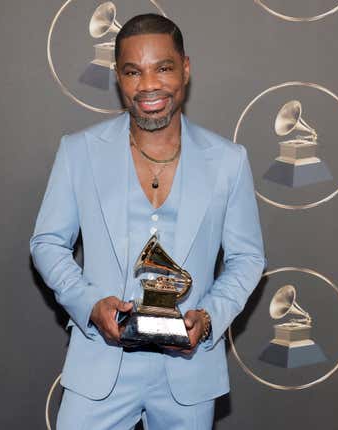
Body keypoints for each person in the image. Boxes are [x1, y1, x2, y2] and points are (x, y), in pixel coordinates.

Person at [30, 13, 266, 430]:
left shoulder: (229, 161)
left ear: (186, 69)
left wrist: (208, 316)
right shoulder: (79, 152)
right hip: (100, 363)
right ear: (118, 77)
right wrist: (88, 305)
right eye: (133, 71)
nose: (149, 85)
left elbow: (247, 258)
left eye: (163, 68)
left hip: (188, 371)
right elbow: (47, 243)